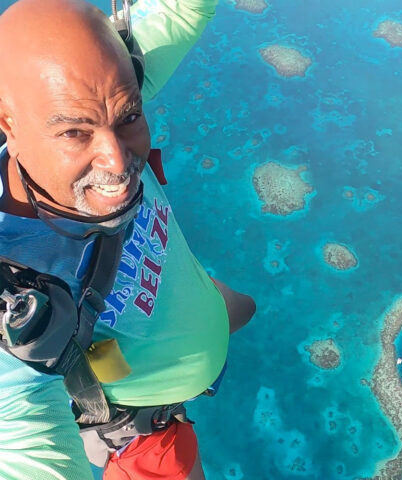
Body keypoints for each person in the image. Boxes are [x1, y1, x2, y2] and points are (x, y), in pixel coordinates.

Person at [0, 0, 256, 478]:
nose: (117, 162)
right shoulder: (11, 310)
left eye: (129, 119)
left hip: (184, 318)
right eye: (76, 133)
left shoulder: (99, 88)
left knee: (244, 308)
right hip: (145, 432)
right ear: (8, 125)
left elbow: (183, 8)